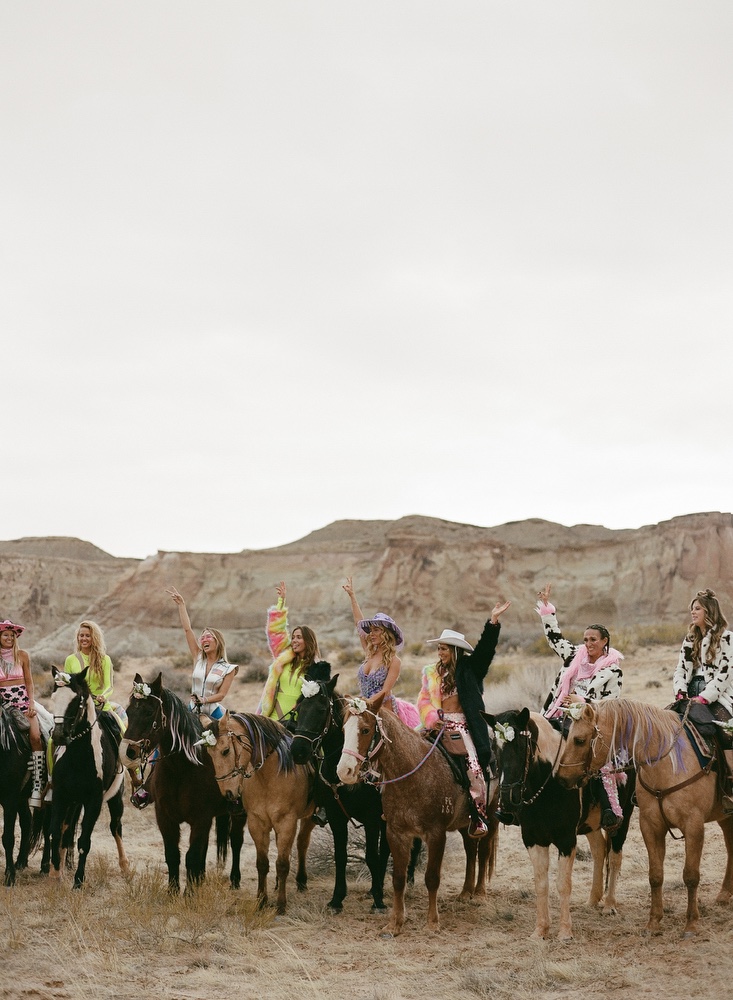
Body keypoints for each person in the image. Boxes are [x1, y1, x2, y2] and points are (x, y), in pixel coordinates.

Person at [418, 600, 511, 838]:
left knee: (473, 768)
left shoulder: (471, 669)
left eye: (445, 649)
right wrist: (430, 719)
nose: (440, 653)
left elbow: (485, 650)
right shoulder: (431, 672)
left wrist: (493, 622)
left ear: (455, 650)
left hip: (461, 725)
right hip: (435, 724)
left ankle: (478, 815)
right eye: (439, 648)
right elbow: (424, 700)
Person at [535, 583, 624, 828]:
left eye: (593, 639)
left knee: (601, 759)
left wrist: (582, 702)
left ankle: (608, 809)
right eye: (585, 639)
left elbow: (610, 706)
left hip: (592, 723)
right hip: (558, 714)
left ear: (605, 641)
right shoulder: (574, 656)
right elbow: (555, 639)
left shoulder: (613, 671)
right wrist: (546, 610)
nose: (588, 643)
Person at [673, 588, 733, 811]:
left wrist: (706, 698)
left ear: (710, 611)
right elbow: (680, 669)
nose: (693, 612)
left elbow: (725, 673)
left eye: (697, 608)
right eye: (691, 609)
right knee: (665, 723)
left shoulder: (726, 638)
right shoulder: (690, 639)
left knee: (726, 731)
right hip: (689, 691)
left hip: (717, 695)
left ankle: (730, 785)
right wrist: (680, 691)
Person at [343, 577, 419, 727]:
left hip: (384, 710)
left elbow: (385, 690)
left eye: (376, 630)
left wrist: (364, 704)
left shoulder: (394, 661)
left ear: (386, 634)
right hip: (365, 708)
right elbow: (358, 622)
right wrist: (352, 597)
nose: (371, 634)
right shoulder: (369, 652)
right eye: (370, 631)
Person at [257, 581, 331, 727]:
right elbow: (276, 632)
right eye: (293, 637)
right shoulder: (284, 658)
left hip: (298, 723)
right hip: (271, 718)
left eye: (299, 637)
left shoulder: (318, 668)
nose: (294, 641)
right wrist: (281, 602)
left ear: (308, 641)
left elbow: (321, 701)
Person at [167, 588, 239, 720]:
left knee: (225, 736)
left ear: (218, 642)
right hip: (192, 710)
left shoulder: (229, 669)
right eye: (202, 638)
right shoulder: (198, 656)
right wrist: (181, 605)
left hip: (213, 712)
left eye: (208, 637)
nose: (204, 640)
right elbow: (187, 629)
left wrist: (204, 699)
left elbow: (222, 695)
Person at [0, 619, 46, 808]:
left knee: (35, 736)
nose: (9, 638)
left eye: (12, 635)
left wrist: (31, 703)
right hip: (3, 703)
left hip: (23, 702)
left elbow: (29, 682)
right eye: (5, 635)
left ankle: (38, 782)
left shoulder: (23, 655)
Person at [64, 620, 126, 730]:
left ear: (94, 638)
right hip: (77, 710)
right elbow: (67, 687)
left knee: (122, 732)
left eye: (88, 635)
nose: (84, 638)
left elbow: (109, 686)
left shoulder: (105, 660)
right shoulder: (70, 660)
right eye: (81, 635)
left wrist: (103, 696)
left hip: (101, 707)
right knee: (52, 740)